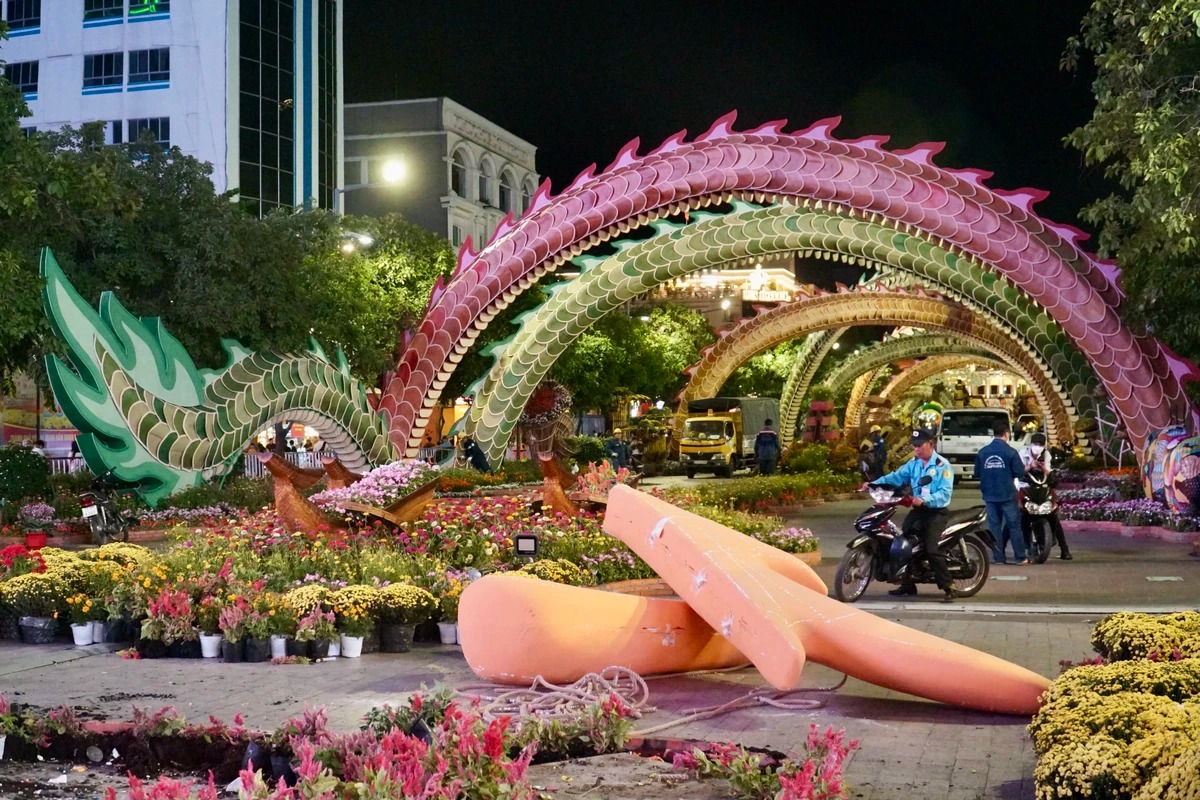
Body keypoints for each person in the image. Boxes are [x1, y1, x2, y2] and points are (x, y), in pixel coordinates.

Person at [861, 428, 957, 602]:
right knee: (902, 543)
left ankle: (948, 586)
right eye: (914, 446)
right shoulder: (914, 464)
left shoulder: (942, 466)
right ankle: (907, 584)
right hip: (918, 511)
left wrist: (925, 499)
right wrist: (873, 484)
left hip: (936, 513)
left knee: (932, 549)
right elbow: (895, 477)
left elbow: (945, 494)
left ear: (931, 444)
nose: (916, 449)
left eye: (920, 445)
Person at [974, 417, 1030, 565]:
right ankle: (1020, 557)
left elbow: (977, 473)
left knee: (994, 527)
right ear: (1006, 434)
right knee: (1014, 526)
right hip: (1007, 495)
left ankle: (999, 558)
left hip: (989, 495)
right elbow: (1019, 472)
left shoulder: (983, 452)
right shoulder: (1011, 452)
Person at [1018, 433, 1072, 560]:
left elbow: (1049, 473)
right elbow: (1018, 471)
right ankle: (1023, 547)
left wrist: (1043, 468)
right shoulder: (1022, 453)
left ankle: (1064, 549)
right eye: (1035, 444)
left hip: (1042, 487)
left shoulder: (1046, 455)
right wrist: (1030, 466)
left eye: (1041, 445)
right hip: (1025, 487)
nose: (1038, 447)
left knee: (1053, 515)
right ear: (1031, 444)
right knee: (1022, 517)